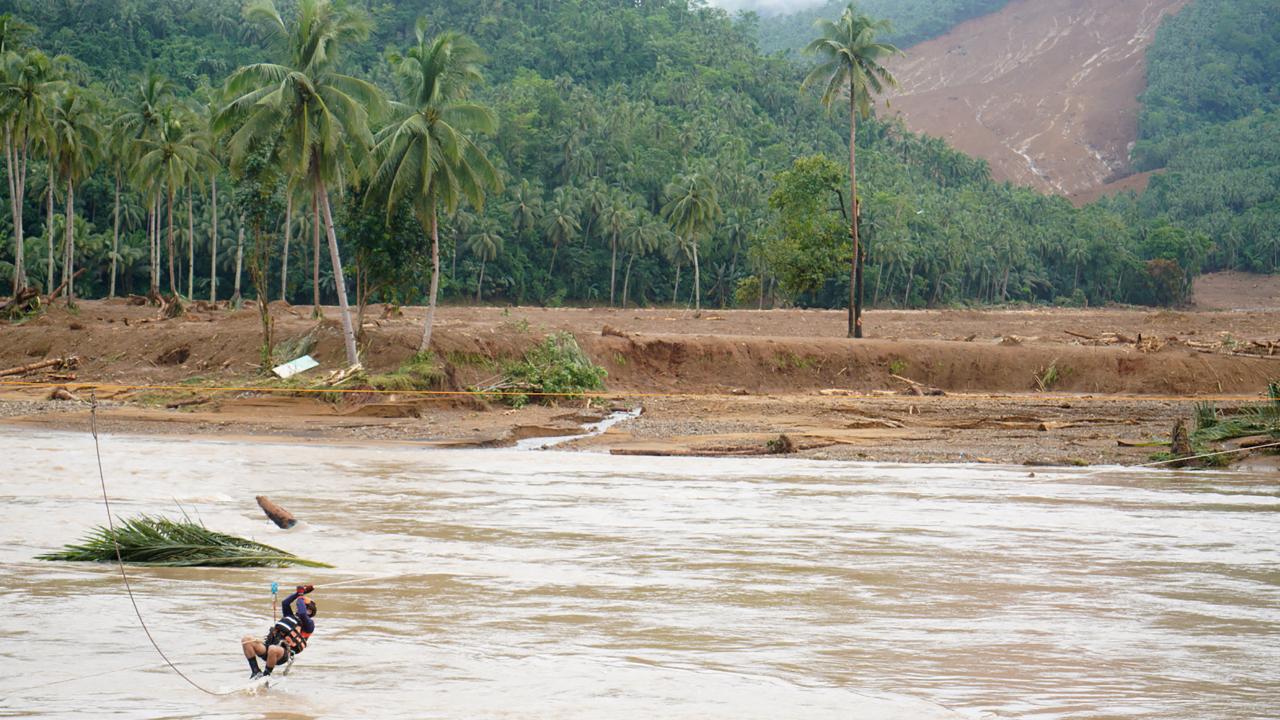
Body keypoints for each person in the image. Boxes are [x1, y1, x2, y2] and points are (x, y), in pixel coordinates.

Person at [241, 584, 317, 679]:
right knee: (246, 640)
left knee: (273, 648)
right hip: (267, 648)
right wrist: (299, 593)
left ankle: (265, 677)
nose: (299, 608)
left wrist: (301, 596)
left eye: (306, 608)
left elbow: (302, 613)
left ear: (310, 612)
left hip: (283, 653)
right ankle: (255, 672)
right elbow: (285, 603)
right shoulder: (289, 616)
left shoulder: (309, 625)